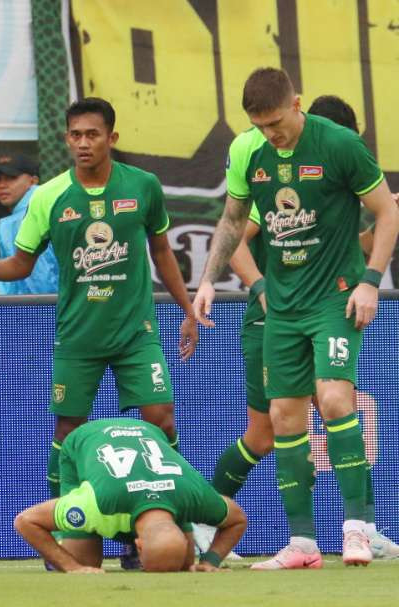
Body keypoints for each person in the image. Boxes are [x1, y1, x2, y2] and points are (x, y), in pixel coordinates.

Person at [0, 98, 198, 568]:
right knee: (68, 432)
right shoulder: (50, 196)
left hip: (137, 334)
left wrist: (187, 310)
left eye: (92, 134)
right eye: (74, 135)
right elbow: (20, 264)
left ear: (111, 138)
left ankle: (167, 530)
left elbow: (161, 251)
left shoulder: (143, 186)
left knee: (161, 421)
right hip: (77, 339)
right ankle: (65, 540)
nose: (82, 143)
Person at [192, 68, 399, 569]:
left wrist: (371, 280)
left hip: (334, 298)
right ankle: (303, 544)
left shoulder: (341, 146)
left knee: (332, 398)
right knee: (281, 419)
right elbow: (233, 221)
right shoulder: (249, 152)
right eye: (259, 125)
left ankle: (357, 530)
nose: (270, 133)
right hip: (279, 308)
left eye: (276, 122)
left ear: (297, 104)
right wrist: (207, 280)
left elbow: (384, 216)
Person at [13, 418, 247, 573]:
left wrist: (209, 561)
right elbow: (26, 521)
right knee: (84, 563)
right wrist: (71, 566)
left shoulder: (195, 498)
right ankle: (64, 537)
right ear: (139, 545)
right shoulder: (96, 504)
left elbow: (237, 519)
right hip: (83, 441)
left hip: (151, 438)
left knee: (185, 562)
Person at [0, 155, 59, 294]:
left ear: (33, 181)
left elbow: (40, 278)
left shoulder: (29, 214)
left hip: (44, 309)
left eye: (11, 177)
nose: (2, 185)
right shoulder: (12, 220)